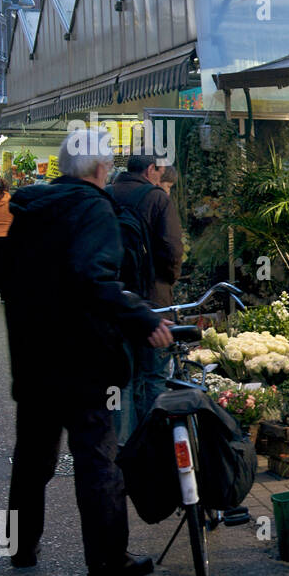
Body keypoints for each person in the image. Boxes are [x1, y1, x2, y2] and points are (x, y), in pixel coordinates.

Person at [3, 128, 174, 576]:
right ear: (100, 170)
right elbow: (92, 278)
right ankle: (106, 560)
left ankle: (20, 547)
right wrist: (141, 318)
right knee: (97, 459)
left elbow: (15, 286)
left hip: (34, 358)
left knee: (33, 459)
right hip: (82, 359)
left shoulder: (30, 211)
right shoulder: (94, 209)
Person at [110, 155, 184, 443]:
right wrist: (166, 281)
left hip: (115, 299)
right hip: (154, 300)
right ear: (152, 169)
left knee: (123, 379)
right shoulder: (157, 199)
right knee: (154, 375)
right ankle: (154, 443)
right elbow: (172, 249)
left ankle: (121, 446)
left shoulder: (105, 194)